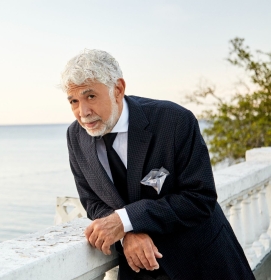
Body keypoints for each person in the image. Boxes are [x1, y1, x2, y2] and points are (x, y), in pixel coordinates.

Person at [62, 49, 254, 280]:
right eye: (74, 101)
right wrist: (126, 233)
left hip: (203, 264)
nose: (82, 113)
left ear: (118, 89)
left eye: (90, 96)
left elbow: (199, 197)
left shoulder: (174, 121)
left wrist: (125, 220)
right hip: (138, 270)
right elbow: (92, 201)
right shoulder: (75, 137)